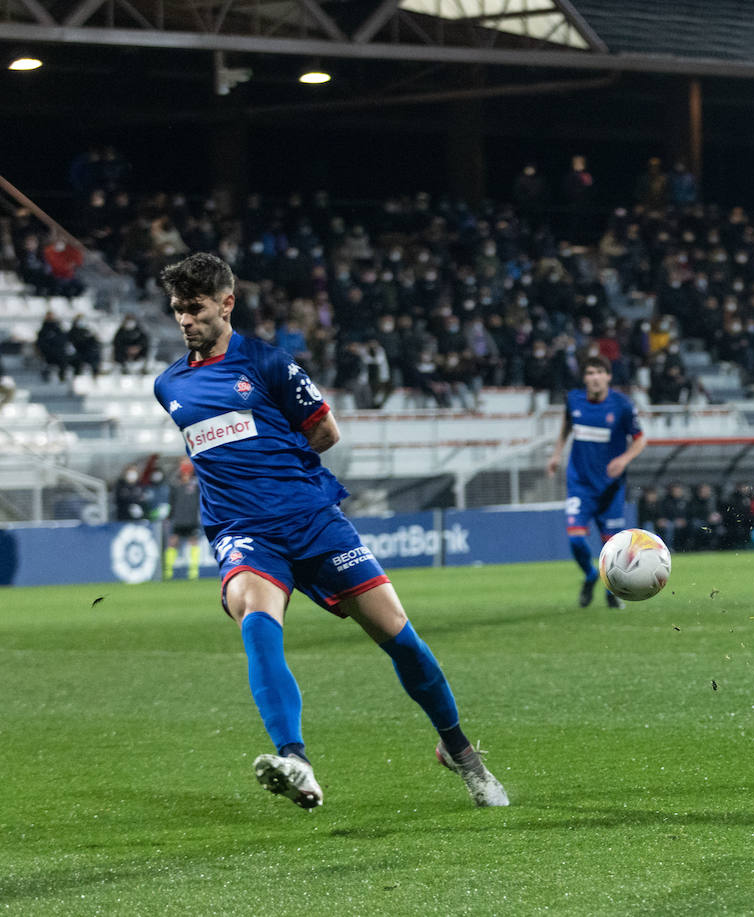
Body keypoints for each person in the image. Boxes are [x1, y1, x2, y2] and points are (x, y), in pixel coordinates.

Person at [153, 252, 506, 811]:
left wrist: (276, 466)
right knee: (256, 618)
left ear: (227, 304)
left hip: (313, 520)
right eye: (177, 309)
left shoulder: (268, 364)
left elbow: (325, 431)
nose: (184, 320)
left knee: (400, 638)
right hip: (243, 531)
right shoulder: (168, 385)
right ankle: (296, 761)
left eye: (194, 308)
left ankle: (460, 752)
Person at [545, 355, 647, 609]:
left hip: (610, 488)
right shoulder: (574, 400)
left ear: (608, 376)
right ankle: (591, 576)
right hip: (580, 483)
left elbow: (640, 439)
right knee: (576, 539)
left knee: (611, 548)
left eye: (599, 372)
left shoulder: (622, 405)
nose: (594, 377)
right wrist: (557, 454)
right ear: (584, 378)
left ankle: (612, 589)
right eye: (589, 372)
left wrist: (624, 459)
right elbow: (566, 427)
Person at [164, 459, 203, 581]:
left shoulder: (196, 485)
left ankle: (193, 570)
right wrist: (169, 517)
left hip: (191, 519)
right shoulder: (175, 485)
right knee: (173, 542)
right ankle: (168, 570)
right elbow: (172, 503)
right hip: (179, 519)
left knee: (193, 542)